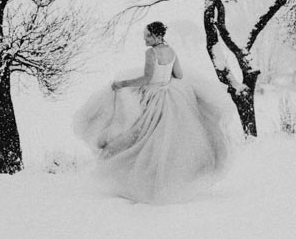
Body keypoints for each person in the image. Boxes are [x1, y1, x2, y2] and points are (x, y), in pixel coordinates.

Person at [75, 21, 229, 203]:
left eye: (147, 35)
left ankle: (141, 183)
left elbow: (147, 78)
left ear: (156, 36)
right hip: (171, 98)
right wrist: (165, 75)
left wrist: (123, 84)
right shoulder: (171, 51)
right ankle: (167, 184)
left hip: (153, 98)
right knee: (166, 142)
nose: (144, 39)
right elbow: (178, 75)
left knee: (141, 138)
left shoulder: (151, 52)